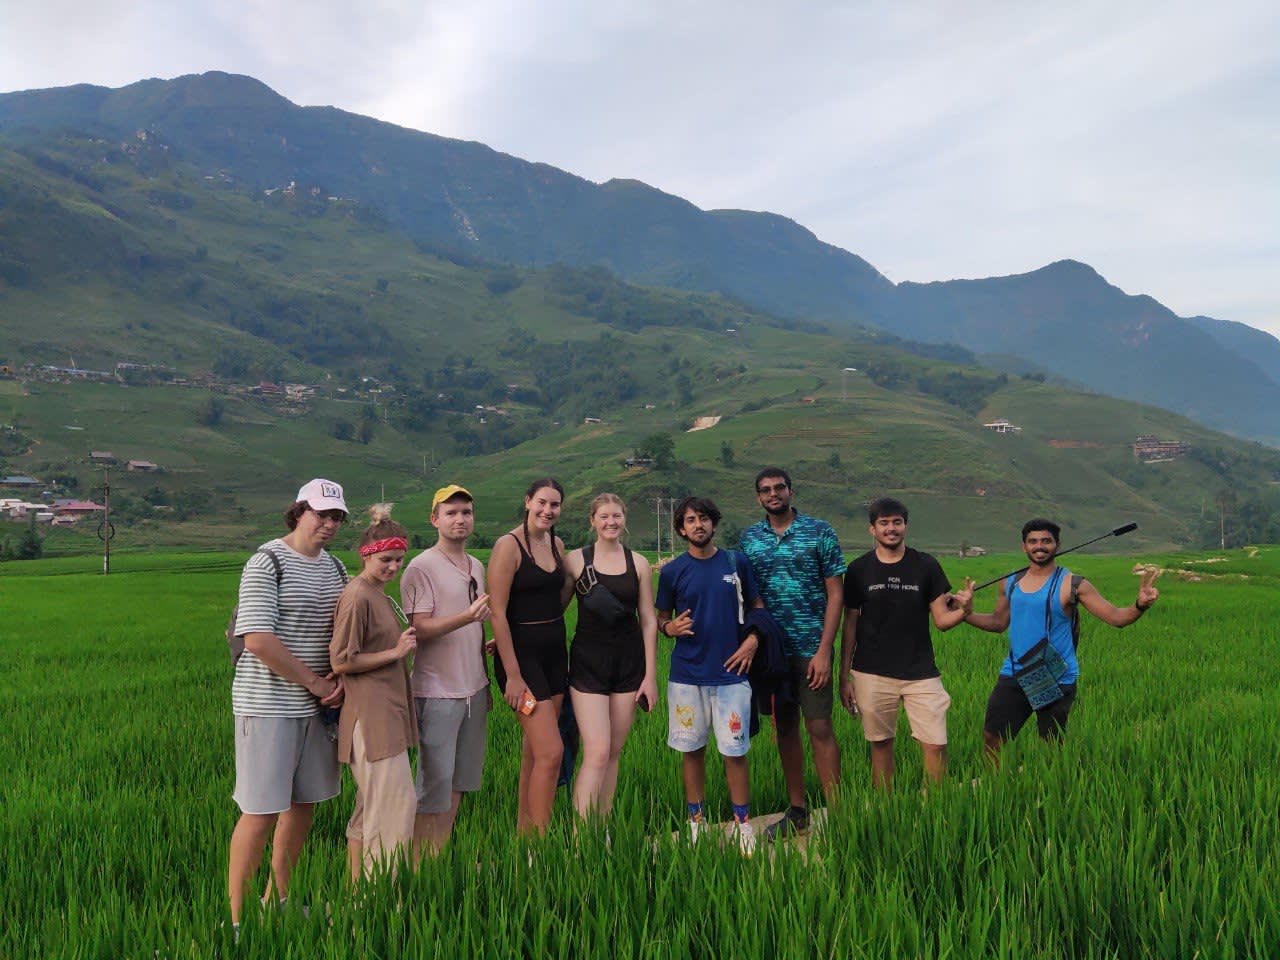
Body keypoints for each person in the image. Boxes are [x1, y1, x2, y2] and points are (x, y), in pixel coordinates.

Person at [227, 479, 349, 932]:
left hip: (317, 709)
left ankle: (277, 901)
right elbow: (257, 639)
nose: (329, 523)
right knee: (260, 811)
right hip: (268, 705)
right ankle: (238, 921)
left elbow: (347, 626)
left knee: (303, 806)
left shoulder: (336, 568)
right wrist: (316, 683)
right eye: (321, 514)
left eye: (337, 517)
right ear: (299, 512)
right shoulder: (268, 561)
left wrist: (342, 674)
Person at [964, 518, 1160, 760]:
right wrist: (964, 613)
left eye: (1046, 541)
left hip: (1055, 676)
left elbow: (1116, 618)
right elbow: (997, 622)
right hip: (1015, 672)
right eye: (1033, 541)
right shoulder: (1010, 582)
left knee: (1051, 745)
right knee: (993, 736)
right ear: (1024, 546)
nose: (1039, 546)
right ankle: (995, 781)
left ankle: (1051, 780)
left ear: (1057, 545)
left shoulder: (1074, 584)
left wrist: (1140, 605)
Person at [740, 467, 845, 840]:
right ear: (758, 497)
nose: (773, 494)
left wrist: (825, 650)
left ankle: (839, 815)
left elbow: (836, 592)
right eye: (766, 489)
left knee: (819, 726)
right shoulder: (750, 539)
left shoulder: (820, 532)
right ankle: (798, 810)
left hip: (811, 648)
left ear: (791, 491)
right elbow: (747, 595)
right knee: (784, 727)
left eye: (779, 487)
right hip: (772, 654)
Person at [839, 497, 972, 789]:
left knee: (936, 743)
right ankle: (886, 806)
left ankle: (935, 805)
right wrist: (843, 675)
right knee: (881, 744)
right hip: (871, 671)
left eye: (897, 522)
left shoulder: (926, 565)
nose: (891, 528)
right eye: (884, 523)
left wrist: (965, 610)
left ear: (905, 526)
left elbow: (941, 620)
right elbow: (850, 624)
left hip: (920, 671)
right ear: (872, 529)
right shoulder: (859, 569)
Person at [656, 496, 763, 854]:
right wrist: (668, 627)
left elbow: (757, 606)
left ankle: (742, 824)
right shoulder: (672, 571)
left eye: (703, 518)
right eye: (690, 520)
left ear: (714, 523)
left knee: (735, 751)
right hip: (687, 676)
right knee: (692, 750)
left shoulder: (736, 562)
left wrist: (753, 639)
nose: (698, 525)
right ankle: (696, 822)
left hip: (732, 673)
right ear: (681, 529)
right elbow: (660, 617)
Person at [399, 484, 492, 857]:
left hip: (474, 688)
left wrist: (486, 680)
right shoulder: (421, 567)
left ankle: (436, 857)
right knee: (434, 784)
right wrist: (466, 617)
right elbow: (418, 628)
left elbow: (477, 628)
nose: (460, 519)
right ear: (434, 519)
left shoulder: (477, 566)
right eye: (450, 513)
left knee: (459, 782)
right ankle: (418, 863)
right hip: (437, 691)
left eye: (466, 512)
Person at [329, 504, 418, 879]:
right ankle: (381, 895)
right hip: (371, 719)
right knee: (396, 808)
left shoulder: (378, 594)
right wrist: (394, 653)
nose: (393, 567)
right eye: (386, 559)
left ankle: (358, 896)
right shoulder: (358, 596)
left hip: (386, 714)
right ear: (366, 555)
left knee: (372, 808)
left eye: (398, 560)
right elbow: (341, 660)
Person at [487, 478, 574, 835]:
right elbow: (497, 611)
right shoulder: (507, 546)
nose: (547, 510)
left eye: (554, 505)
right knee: (551, 753)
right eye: (541, 502)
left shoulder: (557, 544)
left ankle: (524, 835)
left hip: (555, 655)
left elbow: (559, 596)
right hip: (522, 662)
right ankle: (540, 844)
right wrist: (512, 675)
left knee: (534, 751)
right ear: (527, 502)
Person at [565, 493, 659, 821]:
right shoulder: (575, 561)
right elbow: (552, 611)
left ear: (624, 519)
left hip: (629, 664)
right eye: (604, 516)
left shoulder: (639, 563)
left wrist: (650, 676)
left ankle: (601, 826)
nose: (611, 522)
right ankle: (581, 836)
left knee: (614, 752)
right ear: (592, 521)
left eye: (616, 515)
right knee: (597, 751)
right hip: (588, 664)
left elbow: (648, 620)